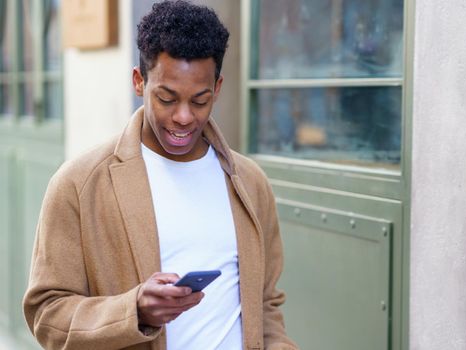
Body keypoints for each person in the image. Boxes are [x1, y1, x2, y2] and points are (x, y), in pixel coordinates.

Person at [22, 1, 297, 349]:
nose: (184, 117)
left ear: (218, 88)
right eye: (166, 98)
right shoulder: (79, 184)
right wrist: (133, 311)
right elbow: (47, 315)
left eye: (200, 101)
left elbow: (265, 305)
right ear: (139, 82)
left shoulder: (250, 182)